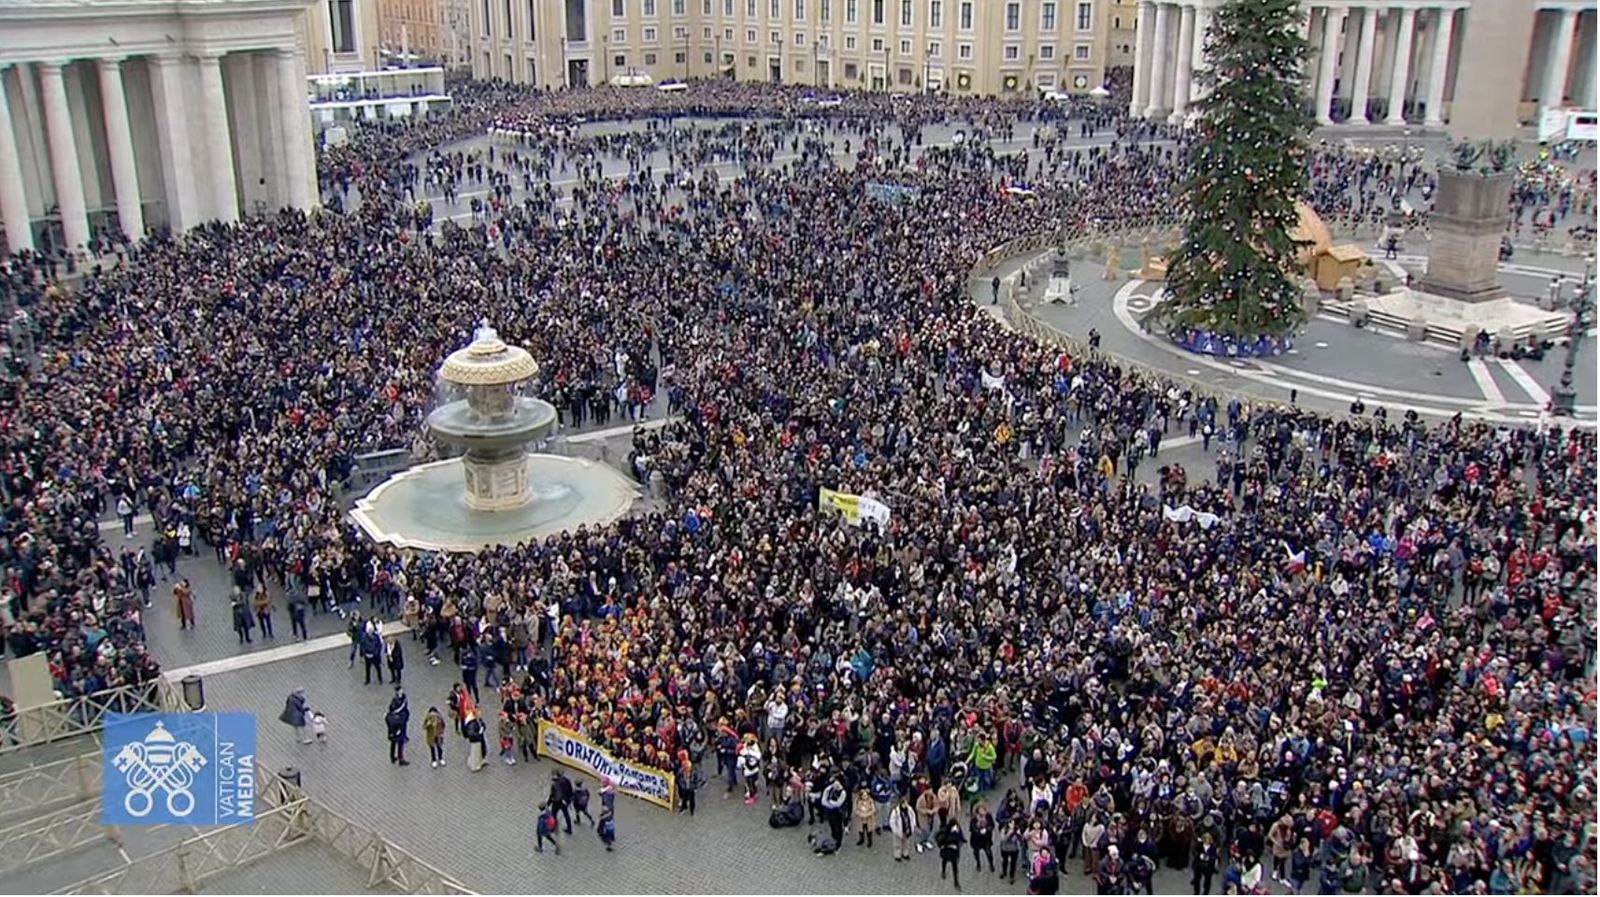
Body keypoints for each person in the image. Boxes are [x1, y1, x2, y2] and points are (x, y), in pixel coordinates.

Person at [938, 817, 966, 889]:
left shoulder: (957, 830)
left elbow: (961, 838)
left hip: (953, 851)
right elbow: (942, 838)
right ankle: (944, 873)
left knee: (953, 865)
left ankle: (955, 881)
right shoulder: (947, 830)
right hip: (948, 850)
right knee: (946, 862)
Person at [385, 686, 410, 766]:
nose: (401, 691)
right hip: (397, 725)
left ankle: (397, 757)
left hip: (401, 722)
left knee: (398, 742)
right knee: (397, 742)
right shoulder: (395, 701)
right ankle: (398, 758)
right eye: (399, 691)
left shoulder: (403, 698)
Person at [888, 793, 916, 862]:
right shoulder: (896, 811)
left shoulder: (909, 809)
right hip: (899, 830)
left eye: (906, 803)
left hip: (907, 830)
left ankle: (905, 854)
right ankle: (897, 855)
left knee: (906, 843)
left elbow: (913, 817)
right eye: (904, 803)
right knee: (897, 844)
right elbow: (892, 821)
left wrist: (913, 825)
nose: (906, 805)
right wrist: (895, 830)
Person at [970, 801, 996, 873]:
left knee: (988, 851)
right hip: (976, 839)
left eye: (983, 809)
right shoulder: (974, 818)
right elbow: (972, 828)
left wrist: (987, 829)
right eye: (980, 810)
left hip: (986, 838)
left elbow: (992, 825)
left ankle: (991, 864)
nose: (982, 811)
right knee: (976, 852)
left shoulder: (988, 816)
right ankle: (978, 863)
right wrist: (978, 830)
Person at [547, 770, 575, 834]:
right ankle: (569, 828)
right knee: (566, 815)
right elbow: (570, 790)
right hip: (565, 802)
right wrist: (569, 800)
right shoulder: (567, 780)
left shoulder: (555, 784)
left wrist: (548, 803)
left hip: (557, 802)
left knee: (553, 814)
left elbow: (552, 795)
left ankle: (552, 828)